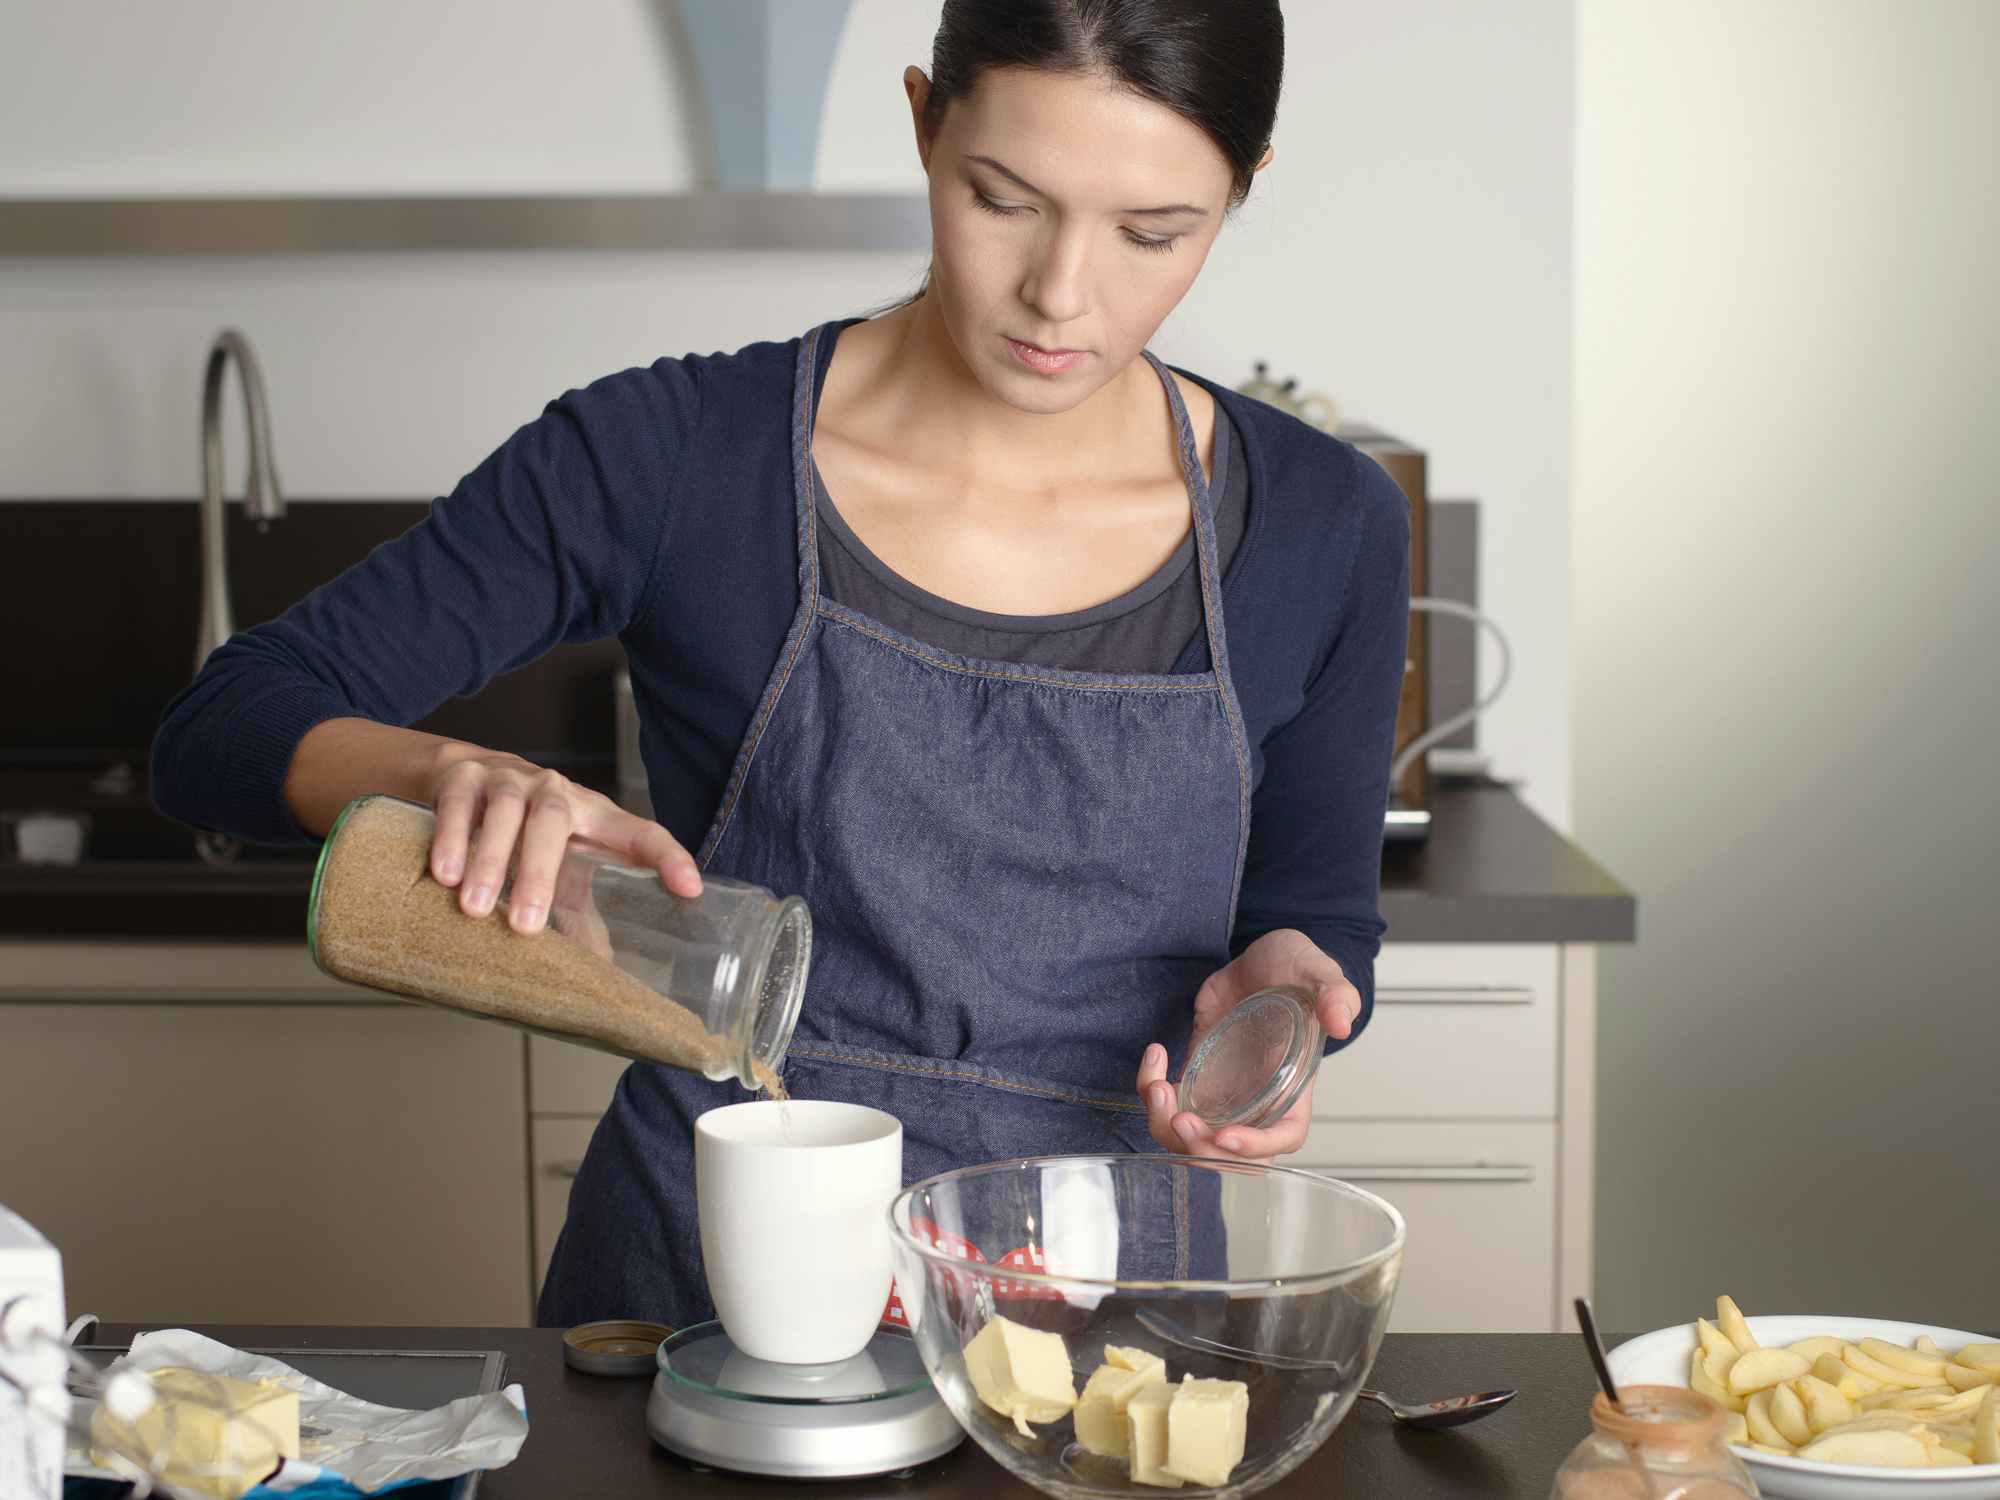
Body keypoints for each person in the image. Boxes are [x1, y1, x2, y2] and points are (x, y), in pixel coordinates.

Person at [152, 0, 1410, 1329]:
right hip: (710, 1285)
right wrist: (448, 771)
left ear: (1239, 192)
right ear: (925, 125)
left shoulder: (1326, 524)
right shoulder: (675, 454)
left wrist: (1281, 1000)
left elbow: (1318, 914)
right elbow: (219, 727)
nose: (1061, 293)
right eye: (1003, 199)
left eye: (1154, 233)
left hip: (1108, 1300)